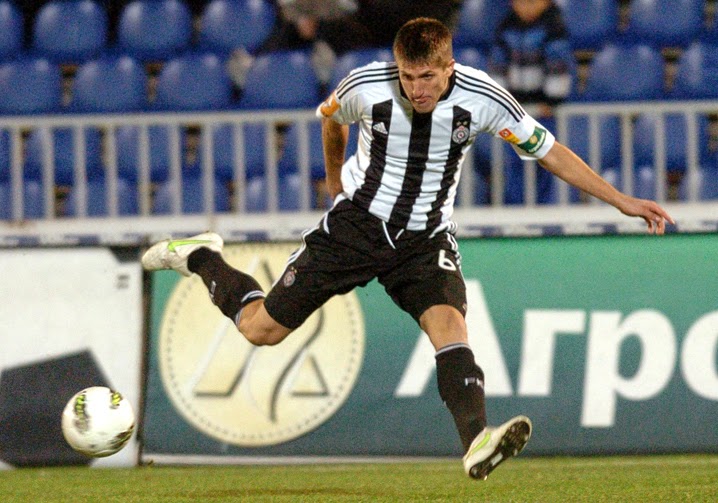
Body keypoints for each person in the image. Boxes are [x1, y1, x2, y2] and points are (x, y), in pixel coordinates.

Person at [142, 18, 674, 480]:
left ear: (448, 68)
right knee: (261, 330)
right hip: (357, 226)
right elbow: (331, 118)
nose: (416, 89)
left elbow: (550, 151)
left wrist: (622, 200)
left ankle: (476, 440)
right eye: (407, 76)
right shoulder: (366, 86)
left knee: (450, 326)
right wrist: (335, 181)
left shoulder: (484, 98)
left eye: (427, 78)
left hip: (425, 238)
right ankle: (201, 256)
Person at [488, 0, 574, 204]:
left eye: (531, 2)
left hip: (544, 113)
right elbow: (498, 66)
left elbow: (559, 67)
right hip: (514, 114)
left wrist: (551, 102)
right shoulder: (505, 28)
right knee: (514, 164)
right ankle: (516, 209)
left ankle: (544, 209)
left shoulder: (554, 28)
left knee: (547, 161)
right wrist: (503, 101)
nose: (525, 7)